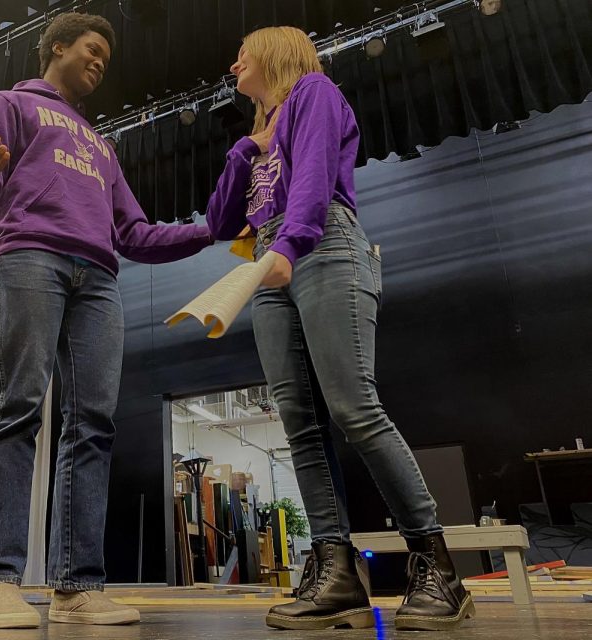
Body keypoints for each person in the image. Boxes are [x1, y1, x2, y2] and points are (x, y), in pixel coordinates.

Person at [0, 11, 213, 630]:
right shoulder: (11, 103)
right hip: (30, 258)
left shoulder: (101, 145)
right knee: (17, 405)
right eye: (91, 50)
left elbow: (136, 233)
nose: (99, 62)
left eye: (105, 58)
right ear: (57, 48)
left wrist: (210, 229)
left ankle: (76, 586)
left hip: (100, 278)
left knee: (92, 423)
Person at [205, 26, 473, 631]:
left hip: (322, 242)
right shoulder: (261, 136)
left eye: (242, 50)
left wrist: (291, 246)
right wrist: (250, 147)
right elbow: (223, 219)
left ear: (274, 52)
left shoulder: (315, 93)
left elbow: (316, 179)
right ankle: (337, 572)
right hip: (270, 260)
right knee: (299, 422)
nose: (233, 59)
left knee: (354, 408)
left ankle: (438, 567)